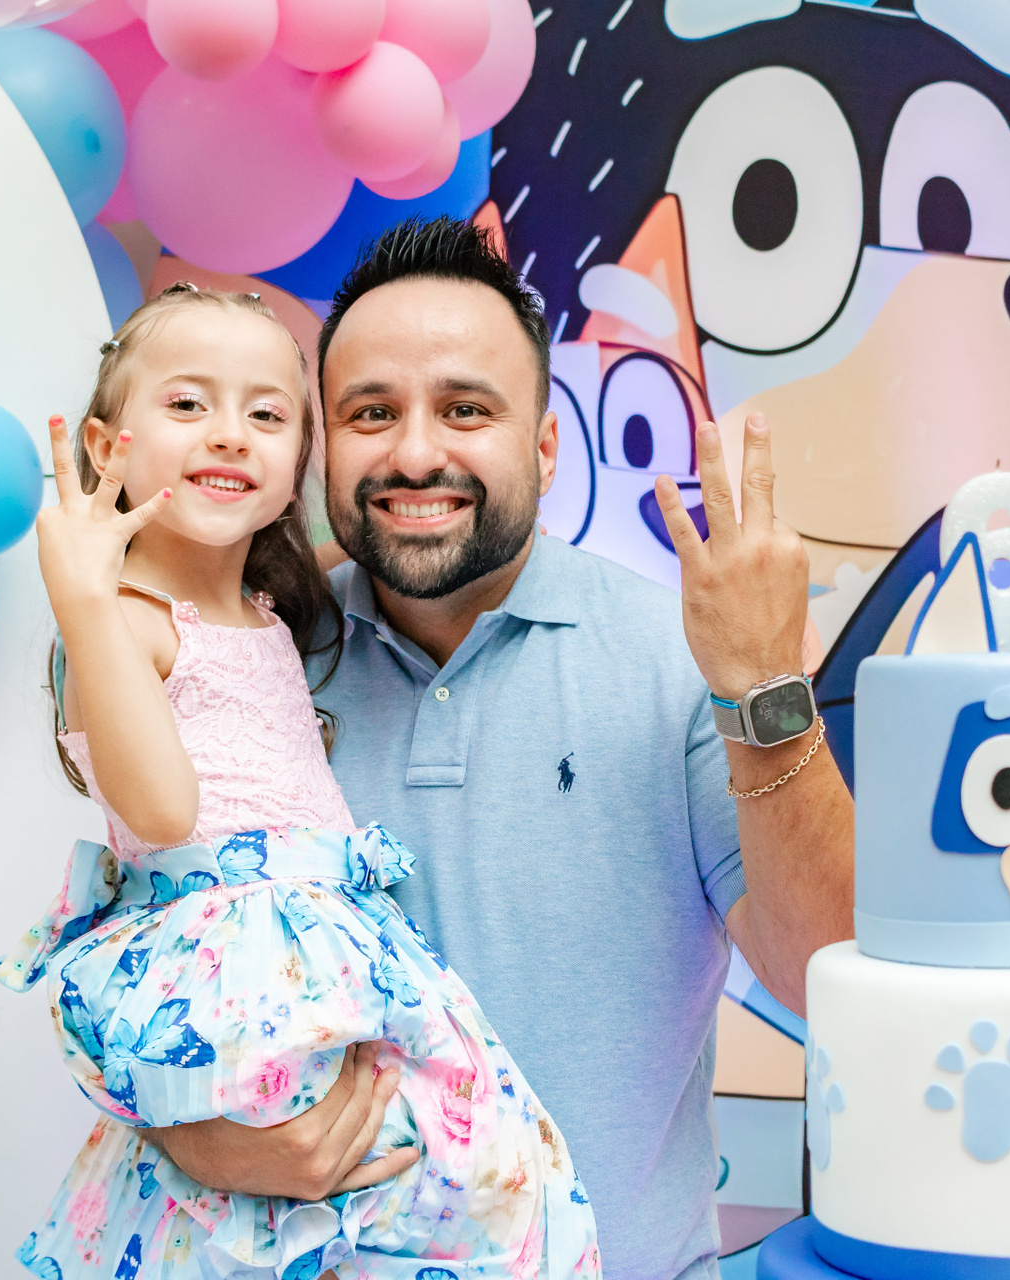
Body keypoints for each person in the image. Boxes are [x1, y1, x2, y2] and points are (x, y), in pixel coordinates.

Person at [135, 219, 857, 1279]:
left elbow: (826, 976)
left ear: (546, 447)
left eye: (466, 409)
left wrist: (764, 688)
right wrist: (186, 1127)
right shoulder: (252, 659)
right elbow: (138, 958)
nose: (415, 453)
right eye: (372, 413)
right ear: (325, 447)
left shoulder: (679, 659)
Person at [0, 282, 602, 1278]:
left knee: (469, 1179)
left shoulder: (273, 609)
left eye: (267, 416)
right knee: (269, 1221)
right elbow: (162, 812)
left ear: (296, 474)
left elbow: (371, 556)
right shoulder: (124, 623)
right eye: (187, 404)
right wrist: (84, 597)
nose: (229, 434)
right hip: (237, 965)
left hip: (337, 950)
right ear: (106, 447)